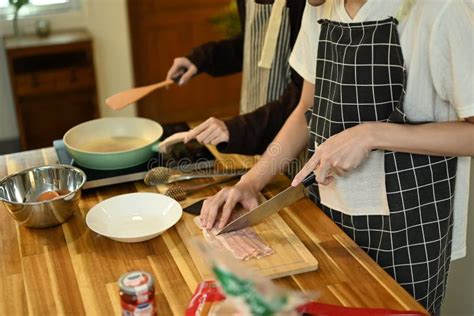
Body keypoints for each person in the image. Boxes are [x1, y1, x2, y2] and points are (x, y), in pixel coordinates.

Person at [199, 0, 474, 314]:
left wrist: (372, 134)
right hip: (327, 217)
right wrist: (251, 181)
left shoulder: (442, 11)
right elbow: (306, 109)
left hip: (408, 233)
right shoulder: (320, 6)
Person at [165, 0, 305, 155]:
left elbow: (304, 95)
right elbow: (254, 43)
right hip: (256, 118)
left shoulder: (307, 4)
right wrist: (200, 59)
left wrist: (237, 130)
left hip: (294, 134)